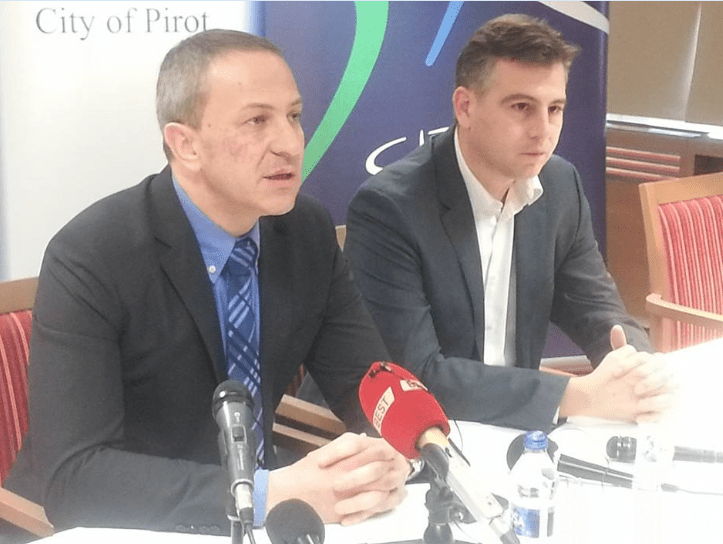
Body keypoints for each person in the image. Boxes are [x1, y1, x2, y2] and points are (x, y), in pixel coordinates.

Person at [3, 29, 409, 540]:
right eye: (257, 121)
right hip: (117, 523)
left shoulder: (305, 231)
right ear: (186, 144)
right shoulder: (92, 255)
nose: (290, 144)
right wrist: (266, 494)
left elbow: (368, 383)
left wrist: (398, 448)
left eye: (293, 116)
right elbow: (77, 478)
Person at [345, 14, 672, 432]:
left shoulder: (559, 185)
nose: (543, 131)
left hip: (514, 425)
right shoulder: (390, 209)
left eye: (555, 109)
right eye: (521, 107)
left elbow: (597, 308)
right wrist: (576, 396)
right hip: (411, 434)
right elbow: (416, 375)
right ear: (465, 107)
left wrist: (637, 368)